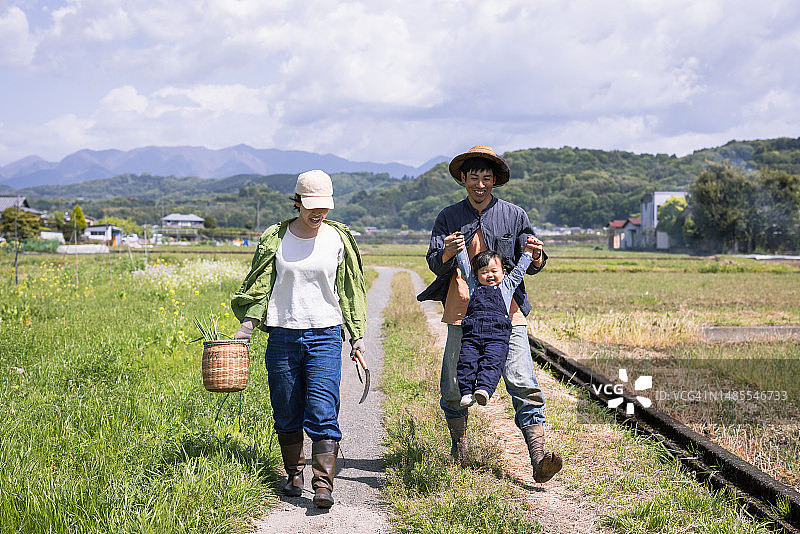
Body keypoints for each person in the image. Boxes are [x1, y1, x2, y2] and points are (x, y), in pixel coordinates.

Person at [417, 146, 562, 483]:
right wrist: (446, 252)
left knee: (523, 380)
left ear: (495, 180)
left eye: (486, 178)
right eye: (473, 178)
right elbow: (434, 262)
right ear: (463, 180)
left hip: (507, 311)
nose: (480, 184)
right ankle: (460, 448)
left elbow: (535, 261)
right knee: (454, 383)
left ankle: (539, 459)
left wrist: (538, 257)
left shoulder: (514, 214)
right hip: (462, 309)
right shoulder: (449, 217)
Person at [231, 169, 367, 508]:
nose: (318, 213)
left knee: (322, 409)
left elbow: (350, 290)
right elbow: (262, 284)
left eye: (324, 207)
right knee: (286, 409)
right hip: (282, 334)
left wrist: (357, 338)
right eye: (311, 206)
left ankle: (323, 484)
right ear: (298, 202)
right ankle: (294, 472)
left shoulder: (338, 239)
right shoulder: (276, 238)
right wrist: (247, 326)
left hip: (325, 334)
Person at [455, 242, 537, 409]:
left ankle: (484, 390)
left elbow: (520, 270)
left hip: (497, 337)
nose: (489, 275)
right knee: (466, 361)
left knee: (493, 361)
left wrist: (528, 252)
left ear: (503, 272)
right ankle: (466, 392)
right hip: (473, 334)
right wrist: (460, 248)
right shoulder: (474, 285)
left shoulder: (507, 285)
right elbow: (464, 265)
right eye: (484, 272)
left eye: (494, 271)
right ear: (477, 275)